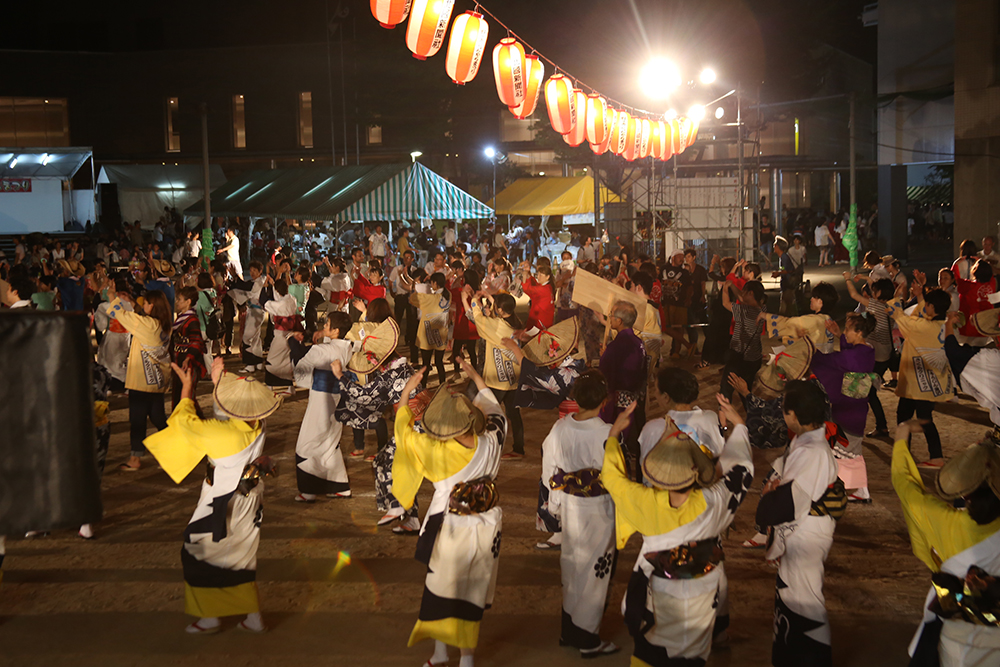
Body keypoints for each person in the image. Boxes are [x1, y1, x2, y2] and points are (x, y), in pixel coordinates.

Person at [603, 394, 754, 667]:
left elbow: (613, 477)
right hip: (701, 590)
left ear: (656, 471)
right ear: (698, 471)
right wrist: (739, 426)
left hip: (656, 588)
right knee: (692, 653)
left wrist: (614, 434)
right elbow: (741, 468)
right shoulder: (713, 502)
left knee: (650, 649)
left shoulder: (643, 502)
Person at [144, 357, 279, 634]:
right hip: (249, 498)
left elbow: (184, 421)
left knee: (199, 552)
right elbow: (225, 415)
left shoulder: (224, 435)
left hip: (223, 498)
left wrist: (188, 387)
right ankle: (252, 617)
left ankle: (210, 617)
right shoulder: (257, 422)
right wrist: (219, 380)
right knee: (240, 557)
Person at [391, 358, 507, 667]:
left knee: (442, 589)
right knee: (471, 590)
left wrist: (406, 393)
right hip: (486, 525)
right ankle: (463, 658)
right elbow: (496, 411)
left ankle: (440, 654)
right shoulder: (492, 440)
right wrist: (475, 377)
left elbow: (403, 434)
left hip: (449, 525)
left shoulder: (434, 450)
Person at [892, 421, 1000, 666]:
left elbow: (904, 482)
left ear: (965, 492)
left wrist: (902, 435)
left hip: (955, 637)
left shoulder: (942, 520)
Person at [755, 380, 844, 667]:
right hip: (802, 529)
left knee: (804, 596)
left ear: (793, 414)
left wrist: (768, 498)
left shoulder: (812, 452)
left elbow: (787, 504)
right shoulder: (808, 440)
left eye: (785, 409)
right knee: (793, 591)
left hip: (807, 533)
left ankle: (811, 659)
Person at [535, 370, 620, 657]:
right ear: (604, 401)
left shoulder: (560, 428)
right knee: (595, 570)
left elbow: (550, 469)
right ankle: (587, 638)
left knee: (572, 566)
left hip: (570, 505)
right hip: (598, 509)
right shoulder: (606, 433)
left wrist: (555, 502)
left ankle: (569, 629)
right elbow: (617, 477)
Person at [290, 312, 358, 501]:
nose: (324, 325)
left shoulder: (321, 351)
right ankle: (340, 486)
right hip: (337, 397)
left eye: (327, 324)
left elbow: (300, 365)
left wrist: (293, 342)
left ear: (336, 330)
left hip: (321, 398)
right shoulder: (347, 347)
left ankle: (309, 491)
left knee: (307, 443)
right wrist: (321, 336)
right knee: (329, 442)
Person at [810, 314, 877, 503]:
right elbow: (848, 353)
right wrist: (840, 335)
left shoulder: (853, 356)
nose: (845, 332)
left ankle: (825, 490)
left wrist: (811, 352)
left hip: (848, 412)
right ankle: (862, 490)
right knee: (854, 452)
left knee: (834, 452)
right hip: (856, 409)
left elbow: (830, 362)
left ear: (859, 332)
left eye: (848, 329)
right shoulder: (867, 351)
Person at [888, 285, 955, 468]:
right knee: (908, 415)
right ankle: (906, 454)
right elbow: (922, 315)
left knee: (920, 419)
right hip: (930, 382)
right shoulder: (943, 324)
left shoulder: (922, 327)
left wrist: (895, 298)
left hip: (918, 382)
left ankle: (935, 457)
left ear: (932, 307)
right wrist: (920, 297)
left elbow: (901, 317)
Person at [107, 290, 173, 471]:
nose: (143, 306)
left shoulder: (147, 324)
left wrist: (112, 297)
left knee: (137, 420)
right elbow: (138, 319)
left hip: (142, 379)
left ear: (152, 306)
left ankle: (135, 459)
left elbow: (121, 315)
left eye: (146, 303)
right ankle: (170, 452)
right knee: (158, 418)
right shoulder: (163, 324)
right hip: (156, 380)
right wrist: (134, 304)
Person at [844, 275, 895, 438]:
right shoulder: (891, 306)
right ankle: (881, 426)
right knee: (869, 392)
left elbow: (853, 295)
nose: (871, 292)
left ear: (879, 292)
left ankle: (853, 426)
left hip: (874, 355)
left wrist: (848, 279)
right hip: (885, 355)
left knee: (859, 390)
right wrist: (868, 278)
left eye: (874, 290)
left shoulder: (875, 305)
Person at [599, 301, 647, 432]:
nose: (609, 317)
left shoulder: (616, 346)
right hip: (634, 397)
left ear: (619, 321)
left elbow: (605, 372)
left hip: (618, 403)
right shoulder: (639, 343)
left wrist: (605, 356)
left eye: (611, 314)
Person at [762, 281, 840, 354]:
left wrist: (765, 316)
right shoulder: (828, 319)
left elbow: (788, 323)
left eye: (814, 297)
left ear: (820, 301)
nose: (811, 299)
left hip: (815, 362)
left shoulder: (814, 320)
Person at [720, 279, 765, 401]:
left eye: (744, 292)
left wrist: (725, 288)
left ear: (750, 293)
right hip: (754, 358)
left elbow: (725, 303)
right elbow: (743, 297)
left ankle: (723, 416)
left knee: (726, 390)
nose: (741, 294)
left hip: (738, 358)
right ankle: (752, 415)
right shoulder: (762, 310)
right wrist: (733, 286)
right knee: (745, 392)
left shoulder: (745, 311)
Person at [409, 272, 451, 386]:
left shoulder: (429, 298)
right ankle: (443, 386)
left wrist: (415, 286)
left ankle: (423, 387)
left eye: (432, 282)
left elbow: (412, 298)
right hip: (441, 334)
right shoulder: (448, 295)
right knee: (439, 363)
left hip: (427, 334)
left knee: (425, 364)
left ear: (435, 283)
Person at [170, 286, 208, 411]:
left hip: (188, 364)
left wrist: (188, 358)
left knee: (186, 397)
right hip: (179, 361)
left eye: (179, 299)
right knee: (179, 394)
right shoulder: (182, 318)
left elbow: (196, 342)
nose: (177, 302)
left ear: (188, 302)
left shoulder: (191, 320)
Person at [262, 277, 298, 393]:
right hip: (291, 333)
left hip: (280, 335)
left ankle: (270, 385)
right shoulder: (292, 299)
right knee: (287, 361)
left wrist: (264, 287)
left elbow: (264, 302)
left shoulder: (279, 304)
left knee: (272, 360)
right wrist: (272, 284)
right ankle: (290, 387)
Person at [230, 261, 267, 374]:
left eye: (255, 271)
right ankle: (258, 362)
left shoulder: (260, 281)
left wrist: (235, 276)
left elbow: (244, 286)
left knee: (247, 337)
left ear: (260, 271)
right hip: (255, 311)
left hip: (256, 312)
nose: (252, 273)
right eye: (251, 271)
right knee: (255, 338)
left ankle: (250, 364)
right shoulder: (258, 281)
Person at [660, 252, 693, 358]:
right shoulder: (663, 269)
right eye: (680, 257)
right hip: (665, 303)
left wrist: (688, 298)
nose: (682, 259)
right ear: (673, 257)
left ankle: (676, 351)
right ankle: (687, 345)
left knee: (679, 327)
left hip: (680, 303)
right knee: (665, 327)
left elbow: (689, 287)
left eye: (683, 257)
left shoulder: (684, 273)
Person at [520, 262, 556, 330]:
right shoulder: (548, 287)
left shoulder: (543, 289)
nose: (538, 277)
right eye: (538, 274)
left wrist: (524, 276)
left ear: (547, 277)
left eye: (541, 275)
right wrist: (528, 273)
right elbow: (535, 284)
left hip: (539, 321)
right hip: (544, 319)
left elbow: (528, 289)